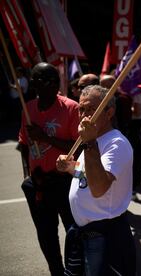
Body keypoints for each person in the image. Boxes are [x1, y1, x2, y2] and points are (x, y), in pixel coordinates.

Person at [56, 85, 136, 275]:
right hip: (84, 233)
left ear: (109, 112)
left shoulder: (116, 143)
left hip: (105, 235)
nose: (84, 114)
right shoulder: (93, 140)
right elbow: (87, 175)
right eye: (81, 109)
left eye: (91, 109)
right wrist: (70, 167)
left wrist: (90, 143)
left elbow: (99, 188)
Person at [18, 62, 79, 275]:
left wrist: (45, 137)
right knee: (45, 233)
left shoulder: (71, 108)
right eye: (36, 81)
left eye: (54, 81)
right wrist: (28, 175)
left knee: (74, 230)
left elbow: (78, 147)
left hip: (63, 182)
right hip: (38, 184)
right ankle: (56, 271)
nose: (35, 86)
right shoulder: (29, 108)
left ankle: (74, 271)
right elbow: (24, 144)